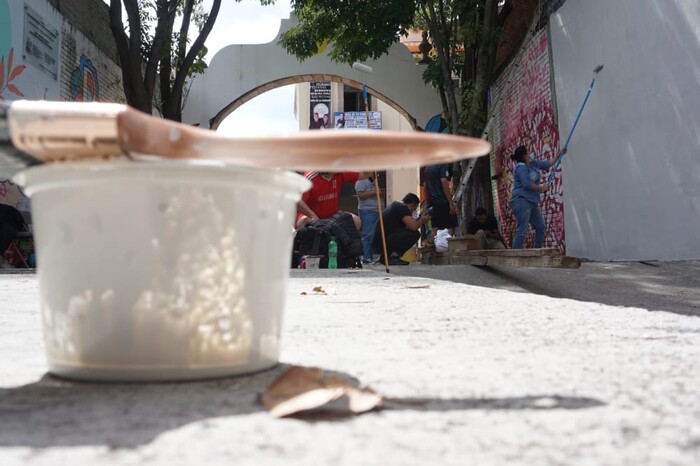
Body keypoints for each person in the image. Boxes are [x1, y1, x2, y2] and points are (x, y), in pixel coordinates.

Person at [509, 145, 560, 249]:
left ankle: (538, 251)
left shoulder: (532, 164)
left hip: (532, 202)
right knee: (522, 229)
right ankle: (515, 256)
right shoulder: (520, 167)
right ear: (524, 156)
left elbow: (547, 164)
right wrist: (541, 188)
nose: (530, 153)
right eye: (528, 152)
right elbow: (526, 184)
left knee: (540, 227)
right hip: (522, 201)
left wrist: (559, 155)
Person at [372, 193, 430, 266]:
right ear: (411, 205)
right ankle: (394, 255)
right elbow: (413, 227)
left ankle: (385, 257)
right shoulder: (402, 208)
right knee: (415, 234)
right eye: (413, 210)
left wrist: (419, 219)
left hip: (381, 240)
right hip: (384, 241)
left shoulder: (396, 206)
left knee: (407, 233)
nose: (411, 213)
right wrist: (422, 220)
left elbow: (407, 227)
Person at [296, 171, 360, 230]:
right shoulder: (310, 177)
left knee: (356, 221)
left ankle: (341, 241)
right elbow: (297, 200)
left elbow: (363, 174)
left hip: (332, 215)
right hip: (309, 215)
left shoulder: (339, 173)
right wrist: (312, 216)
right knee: (309, 223)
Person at [424, 164, 458, 241]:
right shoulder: (442, 166)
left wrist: (428, 203)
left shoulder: (427, 168)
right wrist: (450, 202)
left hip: (432, 202)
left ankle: (435, 246)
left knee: (434, 226)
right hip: (442, 201)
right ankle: (446, 245)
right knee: (451, 224)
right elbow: (444, 182)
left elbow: (425, 186)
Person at [355, 172, 381, 264]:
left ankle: (369, 256)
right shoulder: (361, 180)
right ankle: (366, 257)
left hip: (375, 210)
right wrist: (375, 193)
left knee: (373, 234)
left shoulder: (373, 180)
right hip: (367, 210)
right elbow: (360, 194)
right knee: (368, 234)